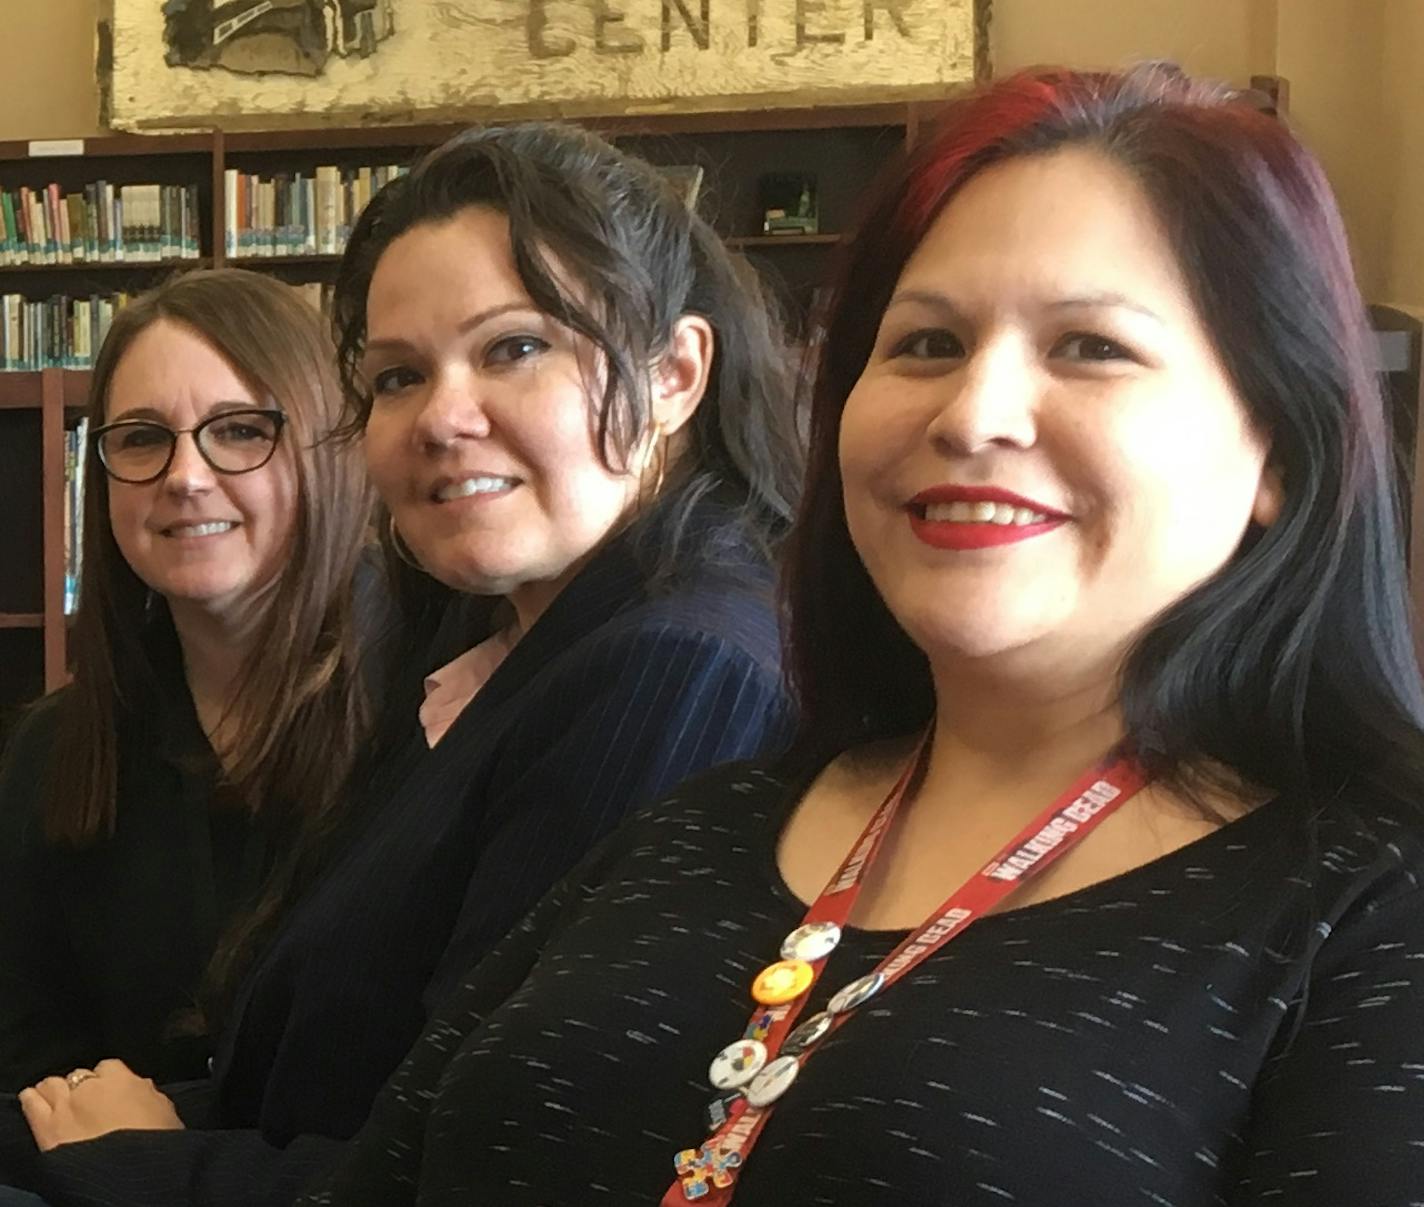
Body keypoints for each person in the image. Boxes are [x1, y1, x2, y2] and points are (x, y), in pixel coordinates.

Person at [298, 63, 1423, 1204]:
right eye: (925, 344)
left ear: (1274, 449)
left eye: (1088, 346)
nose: (972, 412)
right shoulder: (691, 833)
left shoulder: (1366, 911)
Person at [17, 121, 801, 1205]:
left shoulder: (673, 664)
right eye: (396, 375)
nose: (442, 415)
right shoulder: (488, 642)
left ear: (672, 373)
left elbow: (499, 1169)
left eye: (512, 347)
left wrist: (145, 1162)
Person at [0, 270, 377, 1179]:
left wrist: (163, 1155)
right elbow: (21, 1064)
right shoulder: (58, 750)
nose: (185, 476)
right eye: (141, 440)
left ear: (330, 449)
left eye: (241, 430)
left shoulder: (427, 721)